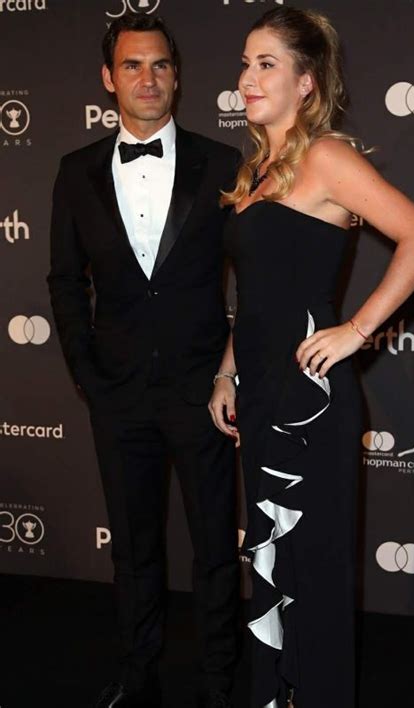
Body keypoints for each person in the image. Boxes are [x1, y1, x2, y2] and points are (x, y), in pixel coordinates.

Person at [209, 7, 414, 708]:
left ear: (306, 83)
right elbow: (258, 298)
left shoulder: (325, 158)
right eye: (246, 63)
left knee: (314, 574)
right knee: (277, 573)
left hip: (310, 401)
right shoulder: (258, 169)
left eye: (266, 65)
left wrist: (359, 329)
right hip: (263, 393)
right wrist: (228, 369)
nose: (247, 78)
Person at [48, 13, 240, 708]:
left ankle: (220, 681)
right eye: (132, 66)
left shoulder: (222, 163)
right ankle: (137, 674)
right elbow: (65, 281)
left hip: (202, 391)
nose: (148, 78)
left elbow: (254, 275)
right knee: (133, 551)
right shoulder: (75, 173)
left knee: (216, 547)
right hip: (118, 393)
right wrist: (87, 373)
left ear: (178, 75)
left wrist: (229, 368)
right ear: (108, 79)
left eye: (160, 64)